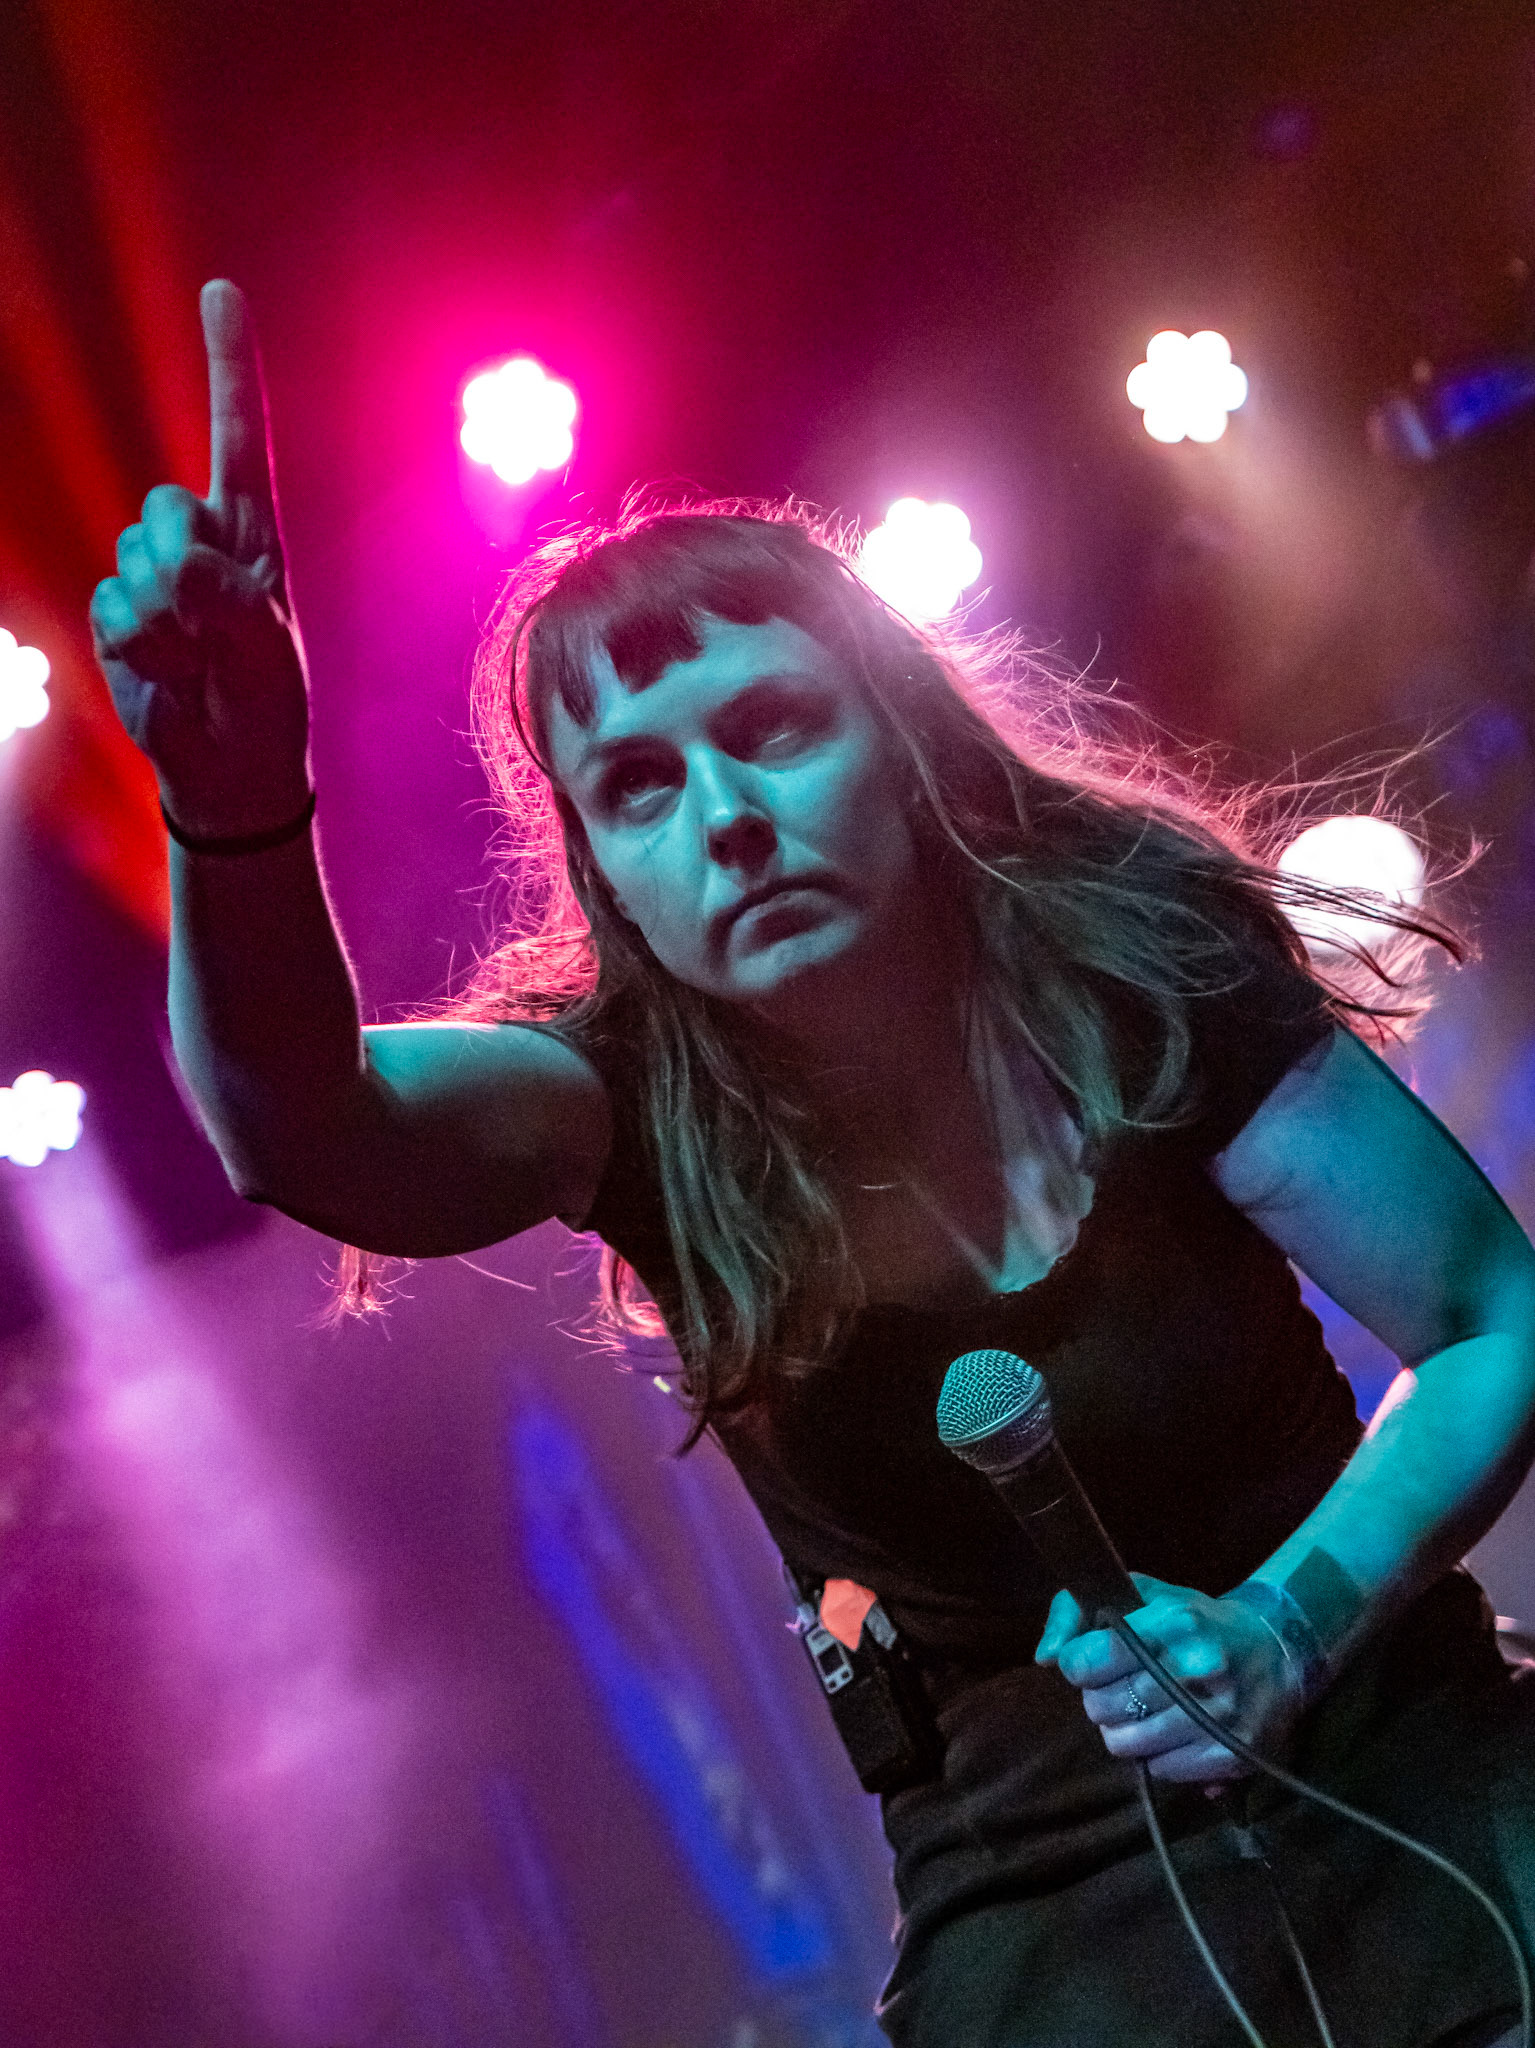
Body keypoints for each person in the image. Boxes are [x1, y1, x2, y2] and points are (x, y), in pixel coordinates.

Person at [90, 281, 1535, 2048]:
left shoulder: (1137, 969)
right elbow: (297, 1127)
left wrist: (1294, 1628)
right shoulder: (618, 1100)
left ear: (903, 744)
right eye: (639, 786)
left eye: (773, 728)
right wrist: (236, 804)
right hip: (1055, 1944)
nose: (727, 818)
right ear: (607, 875)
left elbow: (1490, 1313)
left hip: (1434, 1800)